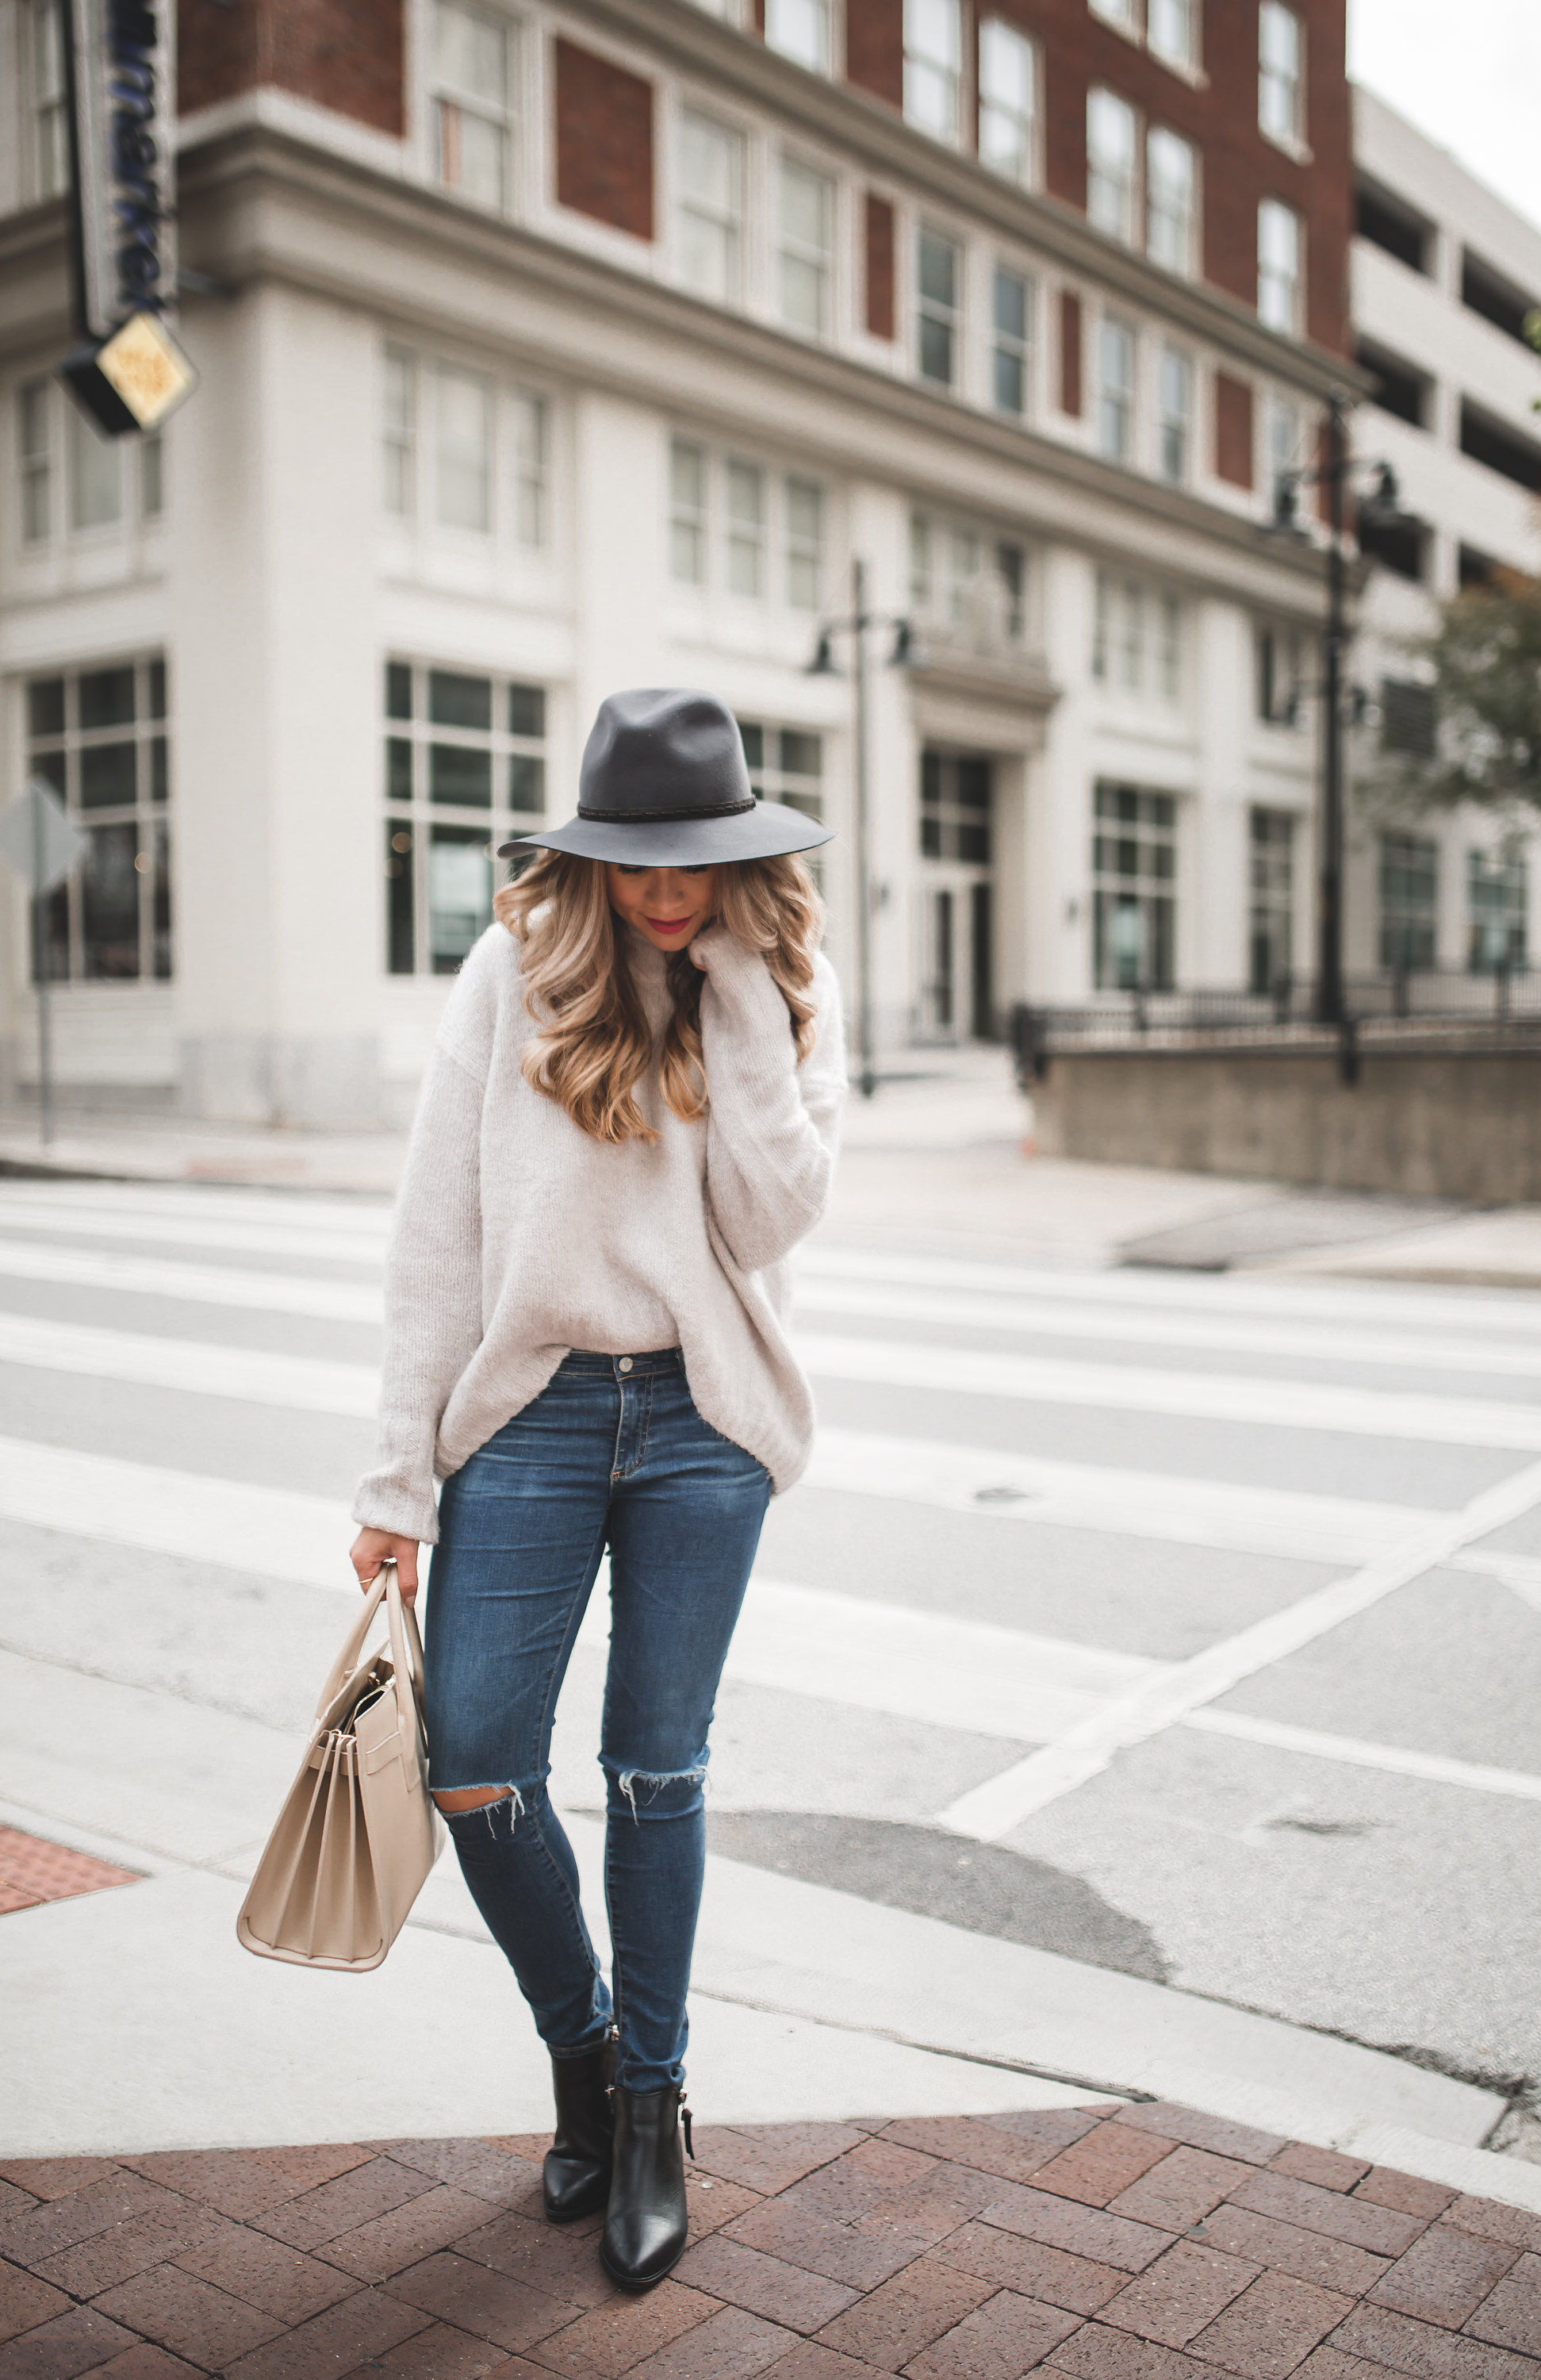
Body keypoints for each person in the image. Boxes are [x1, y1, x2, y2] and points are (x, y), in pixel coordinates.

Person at [347, 687, 843, 2291]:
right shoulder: (512, 971)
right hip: (535, 1416)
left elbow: (768, 1226)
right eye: (638, 858)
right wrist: (394, 1481)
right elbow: (437, 1232)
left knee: (654, 1773)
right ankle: (581, 2042)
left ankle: (648, 2107)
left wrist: (746, 1001)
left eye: (694, 856)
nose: (666, 885)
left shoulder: (768, 976)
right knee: (478, 1763)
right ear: (591, 851)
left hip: (701, 1421)